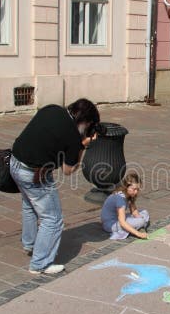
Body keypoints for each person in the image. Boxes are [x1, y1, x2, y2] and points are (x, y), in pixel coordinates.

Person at [10, 99, 100, 275]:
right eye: (89, 124)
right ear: (85, 121)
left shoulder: (52, 109)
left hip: (14, 163)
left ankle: (30, 245)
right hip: (34, 174)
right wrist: (82, 147)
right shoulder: (73, 136)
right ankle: (40, 263)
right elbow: (68, 170)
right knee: (52, 219)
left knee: (29, 205)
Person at [100, 173, 149, 240]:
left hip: (118, 218)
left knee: (145, 213)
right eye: (134, 189)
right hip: (110, 224)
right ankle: (136, 228)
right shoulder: (120, 199)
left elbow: (134, 212)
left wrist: (140, 219)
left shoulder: (128, 194)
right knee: (141, 221)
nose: (136, 192)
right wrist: (138, 234)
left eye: (138, 189)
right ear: (126, 187)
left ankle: (137, 227)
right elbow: (122, 222)